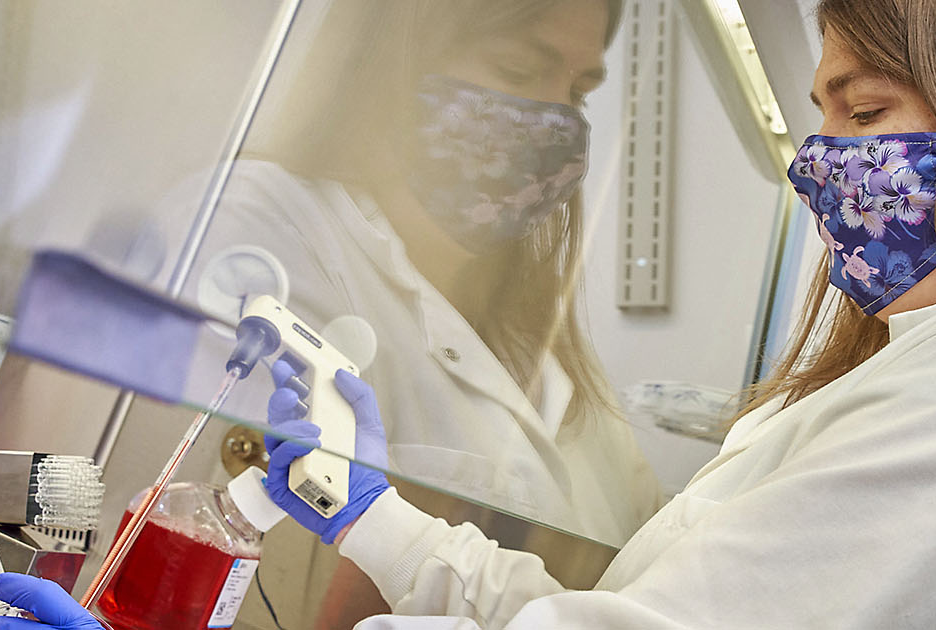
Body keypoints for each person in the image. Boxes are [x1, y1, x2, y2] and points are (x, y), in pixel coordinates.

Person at [0, 0, 936, 627]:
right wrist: (375, 517)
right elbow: (634, 607)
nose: (815, 162)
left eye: (866, 113)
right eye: (821, 115)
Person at [180, 0, 661, 545]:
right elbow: (229, 534)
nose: (557, 126)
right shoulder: (261, 225)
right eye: (517, 71)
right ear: (396, 59)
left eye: (579, 94)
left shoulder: (541, 345)